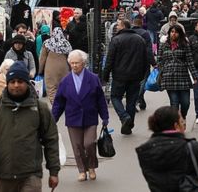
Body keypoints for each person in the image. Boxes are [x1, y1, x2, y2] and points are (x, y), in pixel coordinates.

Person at [0, 61, 60, 191]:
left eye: (20, 81)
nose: (16, 85)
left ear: (27, 83)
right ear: (7, 83)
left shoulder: (39, 108)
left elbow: (51, 140)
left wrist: (54, 171)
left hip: (31, 175)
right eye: (12, 81)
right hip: (4, 175)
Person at [136, 106, 198, 192]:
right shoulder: (190, 147)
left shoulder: (144, 151)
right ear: (176, 126)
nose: (184, 125)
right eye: (182, 122)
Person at [52, 50, 109, 182]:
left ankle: (92, 167)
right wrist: (52, 119)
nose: (74, 65)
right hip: (73, 117)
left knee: (89, 143)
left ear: (83, 63)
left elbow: (100, 99)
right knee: (77, 146)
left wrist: (104, 117)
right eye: (71, 63)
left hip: (90, 117)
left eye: (77, 63)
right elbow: (59, 103)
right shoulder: (65, 81)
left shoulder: (93, 78)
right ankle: (82, 170)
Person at [104, 20, 150, 135]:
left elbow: (110, 60)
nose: (116, 27)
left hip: (119, 75)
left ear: (123, 26)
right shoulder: (139, 39)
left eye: (118, 25)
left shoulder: (116, 40)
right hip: (135, 76)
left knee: (115, 97)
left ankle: (124, 117)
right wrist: (144, 73)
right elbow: (145, 57)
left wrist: (105, 75)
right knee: (131, 100)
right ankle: (129, 125)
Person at [158, 24, 197, 123]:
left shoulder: (185, 45)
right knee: (174, 103)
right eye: (172, 32)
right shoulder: (164, 45)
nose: (174, 34)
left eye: (176, 32)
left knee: (185, 103)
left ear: (180, 34)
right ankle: (176, 122)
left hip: (182, 77)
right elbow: (159, 60)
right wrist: (163, 69)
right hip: (169, 78)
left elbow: (190, 61)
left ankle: (183, 117)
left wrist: (194, 76)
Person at [39, 27, 73, 103]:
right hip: (64, 68)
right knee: (64, 87)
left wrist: (39, 70)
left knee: (51, 88)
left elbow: (42, 58)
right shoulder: (66, 43)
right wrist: (72, 69)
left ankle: (54, 104)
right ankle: (64, 103)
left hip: (50, 69)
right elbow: (71, 58)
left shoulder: (47, 43)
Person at [132, 16, 156, 111]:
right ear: (141, 23)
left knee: (134, 82)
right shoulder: (145, 34)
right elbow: (148, 50)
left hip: (130, 61)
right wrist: (153, 63)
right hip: (143, 61)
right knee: (143, 81)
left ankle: (141, 101)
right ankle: (136, 99)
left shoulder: (129, 32)